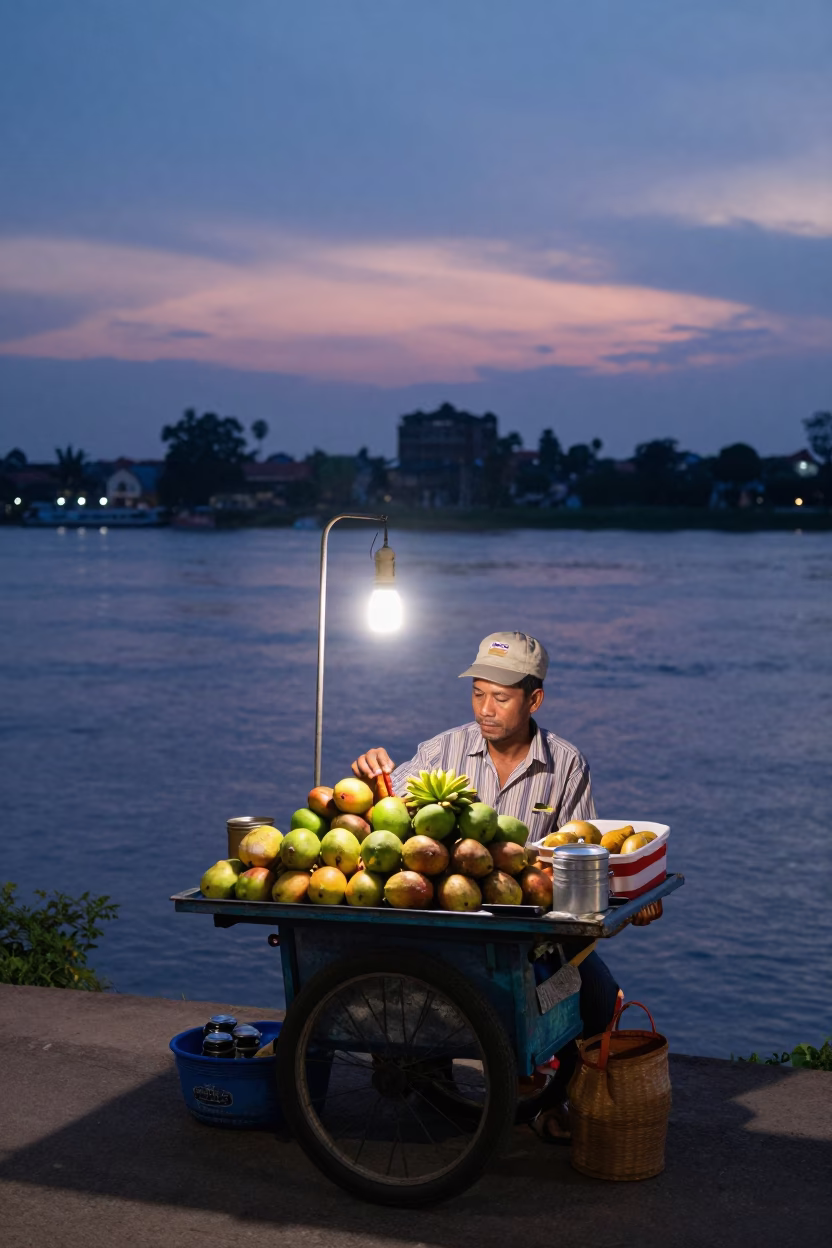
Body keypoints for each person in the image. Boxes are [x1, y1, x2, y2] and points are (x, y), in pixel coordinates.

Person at [351, 630, 621, 1143]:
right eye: (477, 693)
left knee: (599, 993)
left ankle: (553, 1095)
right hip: (448, 934)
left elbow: (582, 855)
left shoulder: (565, 765)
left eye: (500, 697)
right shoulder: (441, 752)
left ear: (534, 698)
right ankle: (432, 1072)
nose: (485, 709)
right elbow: (383, 808)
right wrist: (370, 775)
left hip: (532, 937)